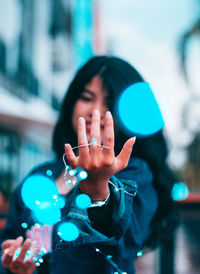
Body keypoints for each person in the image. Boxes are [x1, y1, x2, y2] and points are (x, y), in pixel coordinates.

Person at [0, 56, 178, 274]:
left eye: (111, 103)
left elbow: (124, 239)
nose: (97, 112)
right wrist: (12, 257)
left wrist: (98, 189)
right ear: (71, 103)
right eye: (87, 97)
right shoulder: (40, 176)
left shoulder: (136, 175)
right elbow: (11, 237)